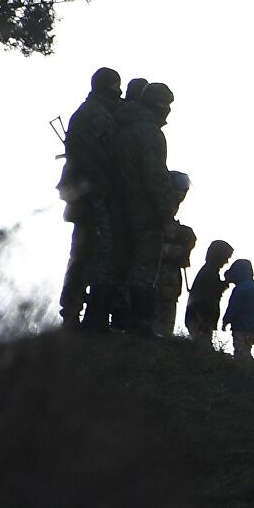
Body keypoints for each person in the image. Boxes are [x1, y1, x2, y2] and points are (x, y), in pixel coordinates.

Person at [106, 81, 175, 335]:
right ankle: (140, 324)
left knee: (119, 261)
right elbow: (155, 177)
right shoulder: (149, 133)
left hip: (118, 206)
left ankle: (107, 316)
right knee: (145, 265)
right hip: (144, 209)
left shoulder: (121, 127)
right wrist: (167, 213)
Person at [55, 67, 120, 327]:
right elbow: (105, 157)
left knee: (81, 253)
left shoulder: (85, 112)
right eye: (117, 86)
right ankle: (79, 313)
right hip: (94, 195)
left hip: (82, 195)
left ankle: (71, 311)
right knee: (93, 254)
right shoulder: (99, 115)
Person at [153, 171, 196, 336]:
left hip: (169, 283)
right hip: (155, 279)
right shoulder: (152, 223)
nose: (179, 200)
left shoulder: (181, 232)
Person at [183, 239, 234, 349]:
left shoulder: (208, 271)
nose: (227, 261)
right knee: (202, 347)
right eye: (226, 257)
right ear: (219, 256)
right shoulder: (210, 273)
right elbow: (210, 295)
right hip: (200, 317)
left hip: (198, 316)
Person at [222, 258, 254, 361]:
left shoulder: (240, 289)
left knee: (240, 351)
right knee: (247, 348)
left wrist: (226, 321)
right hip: (253, 326)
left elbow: (233, 307)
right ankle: (248, 368)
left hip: (240, 326)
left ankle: (243, 370)